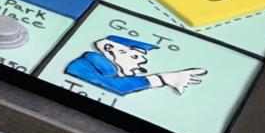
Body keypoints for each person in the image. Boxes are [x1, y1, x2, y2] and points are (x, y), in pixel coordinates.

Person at [65, 35, 207, 96]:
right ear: (109, 48)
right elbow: (115, 87)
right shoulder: (84, 65)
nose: (139, 64)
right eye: (134, 56)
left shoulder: (107, 71)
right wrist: (163, 78)